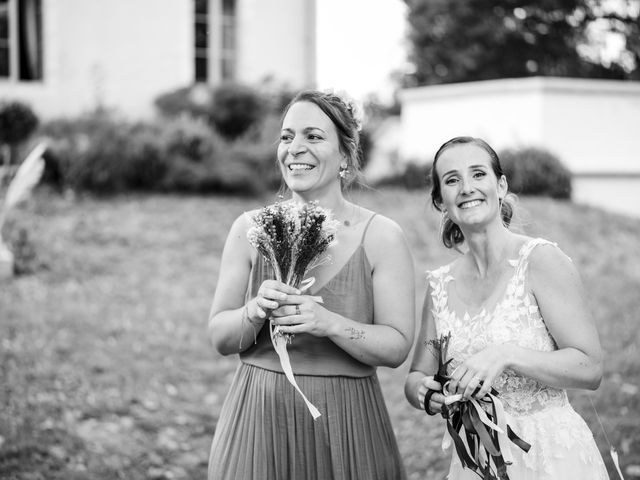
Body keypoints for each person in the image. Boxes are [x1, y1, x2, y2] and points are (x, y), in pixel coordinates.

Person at [207, 90, 415, 480]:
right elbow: (219, 337)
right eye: (286, 137)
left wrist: (328, 322)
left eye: (313, 136)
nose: (295, 148)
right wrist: (254, 310)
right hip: (259, 421)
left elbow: (396, 347)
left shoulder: (382, 236)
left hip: (346, 423)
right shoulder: (248, 229)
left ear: (345, 156)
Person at [404, 136, 609, 479]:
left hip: (551, 456)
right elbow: (415, 377)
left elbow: (590, 368)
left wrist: (507, 354)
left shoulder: (541, 260)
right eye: (452, 180)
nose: (467, 188)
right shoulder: (439, 285)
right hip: (477, 462)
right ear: (441, 201)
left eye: (478, 174)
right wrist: (426, 395)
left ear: (500, 185)